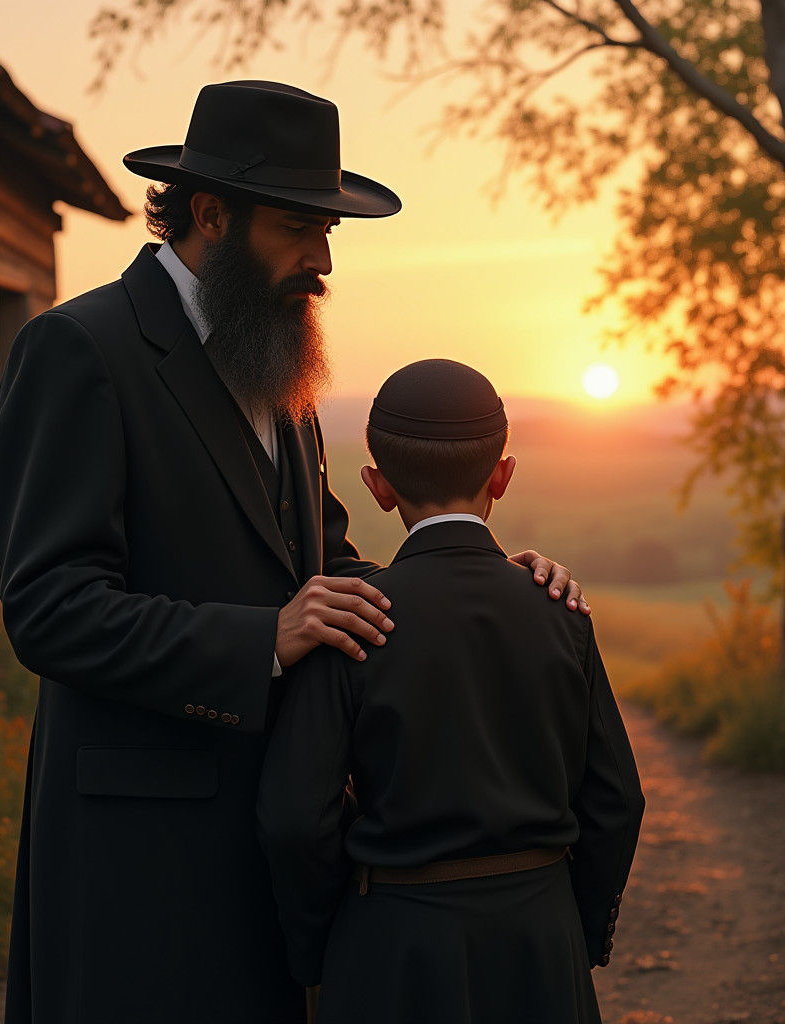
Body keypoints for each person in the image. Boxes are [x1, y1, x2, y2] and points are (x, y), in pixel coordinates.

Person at [0, 82, 589, 1024]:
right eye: (299, 229)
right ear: (212, 213)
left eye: (330, 232)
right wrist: (263, 639)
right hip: (136, 855)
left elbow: (335, 570)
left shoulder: (278, 367)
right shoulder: (79, 350)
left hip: (279, 843)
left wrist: (485, 585)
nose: (322, 261)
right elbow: (48, 608)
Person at [257, 358, 644, 1024]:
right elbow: (617, 801)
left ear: (378, 488)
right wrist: (572, 930)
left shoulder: (353, 620)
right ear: (503, 475)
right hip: (541, 943)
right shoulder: (558, 609)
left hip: (394, 951)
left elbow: (295, 818)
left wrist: (326, 949)